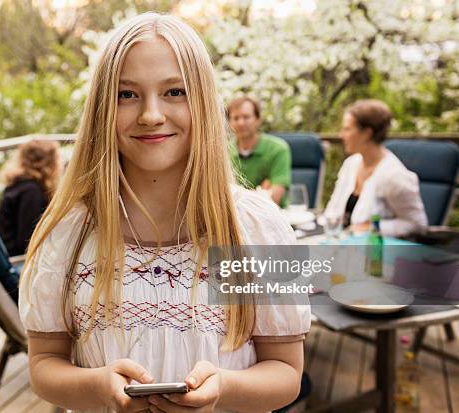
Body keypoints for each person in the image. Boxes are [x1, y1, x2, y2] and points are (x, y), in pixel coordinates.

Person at [19, 12, 310, 413]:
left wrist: (223, 388)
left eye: (175, 92)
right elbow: (43, 365)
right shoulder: (69, 231)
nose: (151, 114)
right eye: (127, 94)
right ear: (102, 108)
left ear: (203, 103)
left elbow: (287, 372)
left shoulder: (256, 227)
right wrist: (95, 385)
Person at [324, 99, 427, 237]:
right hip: (341, 247)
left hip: (375, 254)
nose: (341, 135)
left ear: (367, 133)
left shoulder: (393, 175)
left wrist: (372, 227)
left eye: (347, 129)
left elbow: (417, 225)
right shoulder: (351, 164)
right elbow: (333, 210)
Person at [0, 139, 63, 256]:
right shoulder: (31, 192)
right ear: (50, 163)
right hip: (18, 262)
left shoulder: (18, 185)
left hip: (7, 257)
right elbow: (27, 241)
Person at [227, 97, 291, 206]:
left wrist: (237, 196)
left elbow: (275, 198)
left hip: (273, 218)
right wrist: (261, 193)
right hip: (234, 219)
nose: (241, 123)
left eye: (246, 117)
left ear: (258, 119)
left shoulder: (278, 149)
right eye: (236, 118)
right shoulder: (223, 151)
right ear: (229, 122)